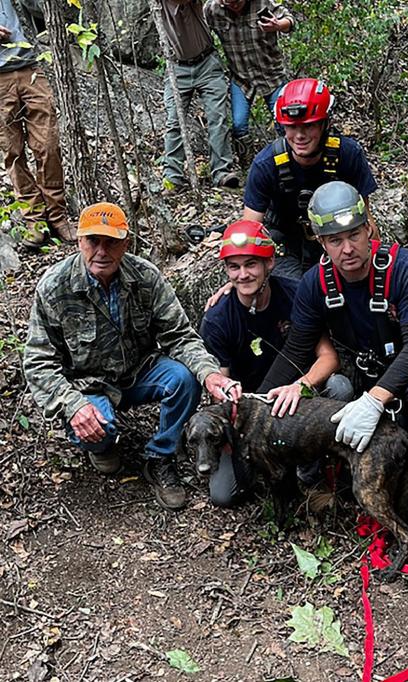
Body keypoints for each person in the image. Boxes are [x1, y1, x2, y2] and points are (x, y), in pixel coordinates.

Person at [257, 181, 408, 554]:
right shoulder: (316, 284)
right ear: (321, 243)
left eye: (354, 236)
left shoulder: (405, 269)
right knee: (342, 395)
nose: (347, 249)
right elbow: (296, 348)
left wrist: (374, 401)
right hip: (375, 375)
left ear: (368, 228)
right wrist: (255, 402)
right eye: (335, 240)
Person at [22, 202, 241, 510]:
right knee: (99, 432)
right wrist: (73, 406)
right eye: (93, 241)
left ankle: (160, 456)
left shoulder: (145, 277)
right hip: (87, 386)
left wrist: (210, 373)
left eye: (111, 241)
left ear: (126, 243)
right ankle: (99, 442)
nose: (101, 250)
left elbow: (179, 335)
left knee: (184, 378)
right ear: (79, 241)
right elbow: (37, 362)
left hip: (139, 371)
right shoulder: (55, 286)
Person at [200, 219, 349, 506]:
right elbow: (219, 385)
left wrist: (298, 387)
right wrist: (229, 395)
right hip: (251, 414)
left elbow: (329, 358)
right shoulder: (218, 318)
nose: (243, 275)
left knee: (339, 388)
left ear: (269, 264)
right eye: (234, 267)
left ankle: (313, 471)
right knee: (225, 494)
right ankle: (267, 465)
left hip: (299, 401)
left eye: (251, 264)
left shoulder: (295, 295)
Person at [242, 78, 380, 280]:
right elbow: (250, 229)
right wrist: (239, 280)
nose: (299, 135)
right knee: (295, 294)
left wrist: (380, 271)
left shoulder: (347, 155)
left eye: (309, 126)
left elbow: (365, 219)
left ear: (325, 124)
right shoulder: (266, 165)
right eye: (291, 127)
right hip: (284, 242)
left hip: (336, 237)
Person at [0, 0, 70, 246]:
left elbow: (47, 11)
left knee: (48, 144)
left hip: (32, 67)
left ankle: (58, 215)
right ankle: (34, 220)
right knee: (13, 152)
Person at [158, 0, 238, 192]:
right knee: (174, 122)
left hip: (207, 62)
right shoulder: (156, 4)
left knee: (217, 117)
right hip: (176, 66)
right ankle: (173, 177)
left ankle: (221, 172)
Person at [202, 0, 295, 149]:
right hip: (241, 78)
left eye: (237, 1)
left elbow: (290, 21)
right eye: (228, 2)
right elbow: (198, 27)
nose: (234, 5)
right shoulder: (213, 9)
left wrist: (278, 25)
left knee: (284, 123)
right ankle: (248, 166)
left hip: (271, 76)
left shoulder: (263, 3)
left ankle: (291, 161)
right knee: (239, 126)